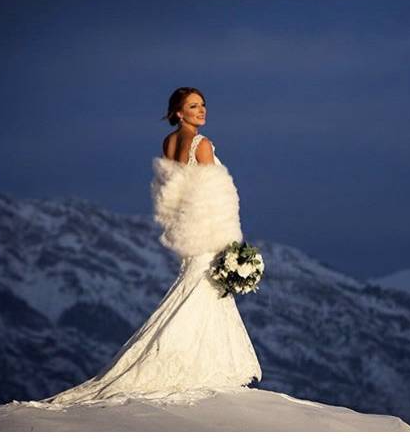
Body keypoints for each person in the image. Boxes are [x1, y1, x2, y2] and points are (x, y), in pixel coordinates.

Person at [36, 87, 262, 406]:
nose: (202, 110)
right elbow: (214, 198)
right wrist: (231, 243)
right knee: (202, 294)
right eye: (193, 106)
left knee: (196, 292)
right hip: (209, 234)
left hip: (188, 234)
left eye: (203, 105)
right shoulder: (204, 145)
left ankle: (194, 362)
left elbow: (173, 194)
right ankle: (184, 364)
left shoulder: (168, 142)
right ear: (179, 112)